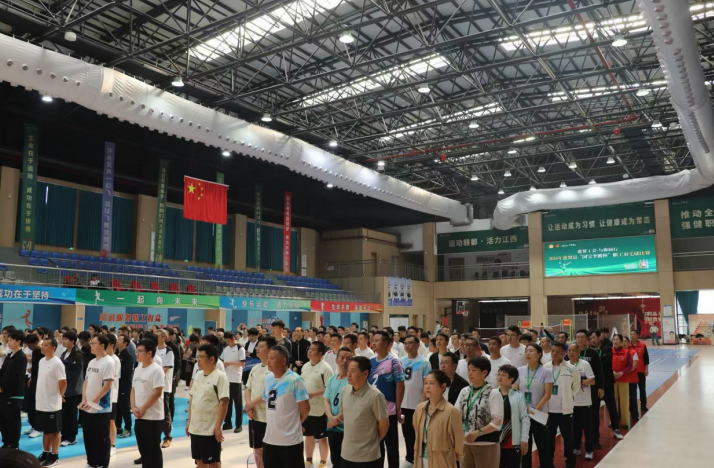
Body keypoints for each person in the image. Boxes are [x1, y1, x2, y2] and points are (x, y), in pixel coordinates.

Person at [261, 344, 309, 468]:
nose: (268, 361)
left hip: (290, 442)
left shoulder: (295, 380)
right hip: (270, 439)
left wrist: (295, 423)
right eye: (268, 358)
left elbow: (305, 409)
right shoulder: (268, 379)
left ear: (283, 361)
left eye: (272, 358)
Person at [340, 356, 389, 468]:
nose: (348, 374)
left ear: (365, 373)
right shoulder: (345, 391)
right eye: (348, 370)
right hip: (346, 454)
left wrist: (372, 441)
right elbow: (345, 414)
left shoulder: (375, 395)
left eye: (353, 371)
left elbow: (384, 424)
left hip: (368, 457)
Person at [455, 356, 503, 468]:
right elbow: (456, 414)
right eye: (468, 370)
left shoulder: (493, 393)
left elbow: (497, 422)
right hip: (465, 443)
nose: (470, 373)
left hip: (486, 444)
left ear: (484, 372)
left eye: (473, 370)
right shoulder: (464, 391)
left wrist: (478, 433)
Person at [187, 344, 229, 468]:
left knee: (213, 462)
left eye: (201, 357)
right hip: (196, 427)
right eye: (197, 357)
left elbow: (223, 403)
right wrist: (189, 422)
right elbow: (192, 399)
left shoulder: (220, 377)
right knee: (199, 461)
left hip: (210, 429)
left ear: (211, 359)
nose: (198, 360)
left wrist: (218, 427)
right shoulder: (198, 375)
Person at [413, 370, 465, 468]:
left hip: (441, 462)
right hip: (421, 460)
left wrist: (456, 459)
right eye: (426, 383)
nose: (427, 387)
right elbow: (416, 432)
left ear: (443, 387)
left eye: (431, 383)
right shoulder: (419, 409)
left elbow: (459, 441)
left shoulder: (451, 411)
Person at [368, 331, 405, 468]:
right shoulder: (371, 361)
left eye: (377, 340)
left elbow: (400, 386)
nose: (374, 343)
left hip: (389, 410)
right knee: (376, 444)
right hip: (372, 410)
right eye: (373, 340)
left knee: (391, 445)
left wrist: (398, 408)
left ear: (386, 343)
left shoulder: (394, 361)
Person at [513, 344, 553, 468]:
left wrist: (535, 409)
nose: (528, 353)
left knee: (543, 447)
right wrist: (523, 410)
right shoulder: (519, 370)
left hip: (539, 415)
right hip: (524, 415)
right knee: (525, 447)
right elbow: (515, 391)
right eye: (526, 351)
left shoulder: (546, 371)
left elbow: (547, 395)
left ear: (539, 354)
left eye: (531, 351)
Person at [80, 334, 115, 468]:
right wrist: (84, 400)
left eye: (94, 343)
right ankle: (91, 462)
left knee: (101, 438)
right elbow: (86, 381)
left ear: (102, 345)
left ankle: (102, 464)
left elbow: (107, 385)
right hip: (88, 407)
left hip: (101, 408)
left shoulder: (108, 362)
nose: (91, 346)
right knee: (88, 436)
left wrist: (93, 401)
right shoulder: (92, 362)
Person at [544, 342, 580, 468]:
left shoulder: (571, 368)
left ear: (564, 353)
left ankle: (570, 462)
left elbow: (576, 386)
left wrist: (568, 396)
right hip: (549, 411)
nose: (554, 353)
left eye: (557, 351)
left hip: (565, 411)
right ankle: (548, 463)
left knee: (568, 438)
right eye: (552, 351)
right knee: (549, 439)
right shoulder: (545, 368)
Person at [131, 339, 165, 468]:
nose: (137, 354)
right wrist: (133, 407)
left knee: (153, 450)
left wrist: (143, 408)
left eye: (140, 351)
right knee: (143, 450)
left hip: (153, 417)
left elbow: (157, 393)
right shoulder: (138, 369)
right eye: (137, 351)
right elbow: (133, 390)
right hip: (139, 416)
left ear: (149, 353)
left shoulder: (156, 370)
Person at [34, 338, 67, 468]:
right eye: (42, 345)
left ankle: (55, 455)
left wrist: (60, 395)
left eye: (46, 345)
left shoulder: (57, 363)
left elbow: (63, 382)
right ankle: (45, 453)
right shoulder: (42, 361)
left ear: (53, 348)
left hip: (52, 404)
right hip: (41, 402)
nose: (42, 347)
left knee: (54, 431)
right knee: (45, 431)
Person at [301, 341, 334, 468]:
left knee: (322, 438)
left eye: (313, 349)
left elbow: (330, 389)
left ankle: (323, 462)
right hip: (307, 408)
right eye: (309, 349)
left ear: (320, 353)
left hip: (320, 409)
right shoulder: (305, 366)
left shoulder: (326, 368)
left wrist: (314, 394)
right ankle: (309, 460)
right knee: (308, 436)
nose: (309, 351)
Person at [244, 336, 274, 468]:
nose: (258, 349)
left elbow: (269, 393)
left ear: (270, 349)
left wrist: (250, 404)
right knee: (257, 450)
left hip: (269, 417)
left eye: (261, 347)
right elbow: (248, 388)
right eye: (257, 346)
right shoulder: (255, 368)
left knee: (269, 451)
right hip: (254, 416)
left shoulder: (273, 369)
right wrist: (248, 405)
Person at [399, 336, 429, 468]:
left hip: (417, 404)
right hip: (404, 404)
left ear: (417, 345)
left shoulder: (424, 362)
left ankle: (420, 457)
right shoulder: (400, 361)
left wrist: (423, 404)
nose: (407, 346)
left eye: (410, 343)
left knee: (419, 433)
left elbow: (426, 384)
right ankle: (409, 457)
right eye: (405, 343)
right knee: (407, 433)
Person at [588, 329, 623, 441]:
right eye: (590, 339)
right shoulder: (589, 351)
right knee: (594, 410)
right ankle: (594, 434)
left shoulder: (607, 349)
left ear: (599, 337)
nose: (592, 340)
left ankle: (616, 429)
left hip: (607, 383)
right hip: (594, 385)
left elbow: (605, 363)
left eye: (594, 338)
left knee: (611, 407)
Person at [322, 347, 352, 468]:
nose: (344, 361)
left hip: (348, 428)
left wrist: (337, 418)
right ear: (336, 360)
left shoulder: (352, 381)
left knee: (347, 461)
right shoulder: (331, 380)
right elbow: (326, 400)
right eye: (342, 358)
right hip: (332, 427)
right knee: (335, 459)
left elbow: (352, 404)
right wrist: (330, 417)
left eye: (348, 358)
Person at [574, 329, 604, 448]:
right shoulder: (572, 352)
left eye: (582, 337)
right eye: (578, 337)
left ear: (587, 339)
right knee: (577, 418)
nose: (580, 339)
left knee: (593, 416)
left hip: (591, 389)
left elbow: (599, 371)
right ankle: (577, 442)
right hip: (576, 391)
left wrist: (601, 387)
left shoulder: (593, 352)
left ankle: (594, 440)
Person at [495, 365, 529, 468]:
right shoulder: (492, 394)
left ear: (511, 379)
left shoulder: (518, 396)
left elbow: (525, 418)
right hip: (495, 440)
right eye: (498, 374)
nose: (499, 377)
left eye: (503, 375)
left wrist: (524, 439)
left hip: (513, 440)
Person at [0, 330, 28, 449]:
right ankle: (6, 442)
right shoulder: (9, 356)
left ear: (18, 341)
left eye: (11, 340)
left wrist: (2, 386)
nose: (9, 342)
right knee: (4, 419)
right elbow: (2, 371)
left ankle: (13, 444)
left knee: (13, 420)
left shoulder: (21, 357)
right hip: (4, 393)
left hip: (14, 394)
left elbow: (16, 376)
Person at [567, 343, 596, 460]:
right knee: (574, 428)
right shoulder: (565, 365)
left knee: (588, 429)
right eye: (569, 350)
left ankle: (589, 450)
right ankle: (576, 447)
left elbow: (592, 381)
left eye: (574, 350)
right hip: (571, 403)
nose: (571, 353)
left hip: (584, 403)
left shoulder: (585, 364)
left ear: (579, 351)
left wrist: (579, 382)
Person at [59, 331, 83, 447]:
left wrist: (67, 389)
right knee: (64, 414)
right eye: (63, 339)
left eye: (65, 339)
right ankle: (64, 435)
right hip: (63, 388)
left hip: (73, 390)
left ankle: (72, 437)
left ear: (72, 341)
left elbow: (75, 376)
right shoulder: (64, 354)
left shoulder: (78, 355)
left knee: (71, 415)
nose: (63, 341)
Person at [219, 331, 245, 433]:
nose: (227, 342)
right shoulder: (226, 349)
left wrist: (229, 363)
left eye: (228, 340)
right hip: (226, 378)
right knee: (227, 402)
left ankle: (239, 424)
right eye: (226, 341)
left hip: (236, 379)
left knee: (237, 403)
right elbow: (221, 360)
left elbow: (242, 363)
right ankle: (228, 422)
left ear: (233, 338)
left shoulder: (240, 348)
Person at [611, 334, 635, 430]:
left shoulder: (626, 352)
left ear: (621, 342)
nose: (615, 341)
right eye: (614, 340)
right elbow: (606, 364)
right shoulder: (610, 351)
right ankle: (613, 420)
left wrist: (622, 372)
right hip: (612, 380)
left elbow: (630, 365)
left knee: (624, 401)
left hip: (623, 379)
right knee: (613, 401)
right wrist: (612, 372)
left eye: (617, 340)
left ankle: (625, 421)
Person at [156, 330, 175, 448]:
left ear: (164, 337)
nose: (156, 337)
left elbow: (165, 369)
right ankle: (156, 436)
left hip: (164, 386)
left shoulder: (169, 351)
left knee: (165, 411)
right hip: (153, 385)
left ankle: (168, 437)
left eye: (158, 336)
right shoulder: (154, 349)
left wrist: (153, 376)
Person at [116, 335, 134, 440]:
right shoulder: (116, 354)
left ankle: (128, 428)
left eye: (120, 340)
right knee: (117, 407)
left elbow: (127, 372)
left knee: (125, 408)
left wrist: (116, 370)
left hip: (124, 386)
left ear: (125, 343)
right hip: (116, 385)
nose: (117, 341)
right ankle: (118, 427)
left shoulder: (128, 356)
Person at [629, 330, 649, 418]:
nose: (632, 336)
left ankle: (643, 405)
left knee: (642, 389)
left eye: (634, 334)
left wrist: (646, 369)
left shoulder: (642, 345)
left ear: (637, 335)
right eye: (631, 334)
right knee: (631, 391)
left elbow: (646, 359)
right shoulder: (627, 346)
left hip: (640, 371)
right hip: (631, 373)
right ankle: (631, 406)